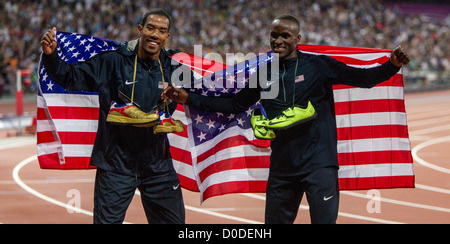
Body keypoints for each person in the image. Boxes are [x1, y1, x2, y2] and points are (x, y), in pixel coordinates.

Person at [162, 14, 410, 224]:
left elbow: (363, 79)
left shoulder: (319, 66)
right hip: (283, 167)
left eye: (285, 36)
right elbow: (234, 105)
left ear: (297, 39)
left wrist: (392, 65)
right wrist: (188, 98)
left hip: (319, 164)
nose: (278, 41)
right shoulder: (264, 72)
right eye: (274, 35)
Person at [40, 8, 187, 224]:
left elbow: (207, 91)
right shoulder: (113, 61)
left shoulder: (174, 67)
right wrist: (51, 57)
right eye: (150, 28)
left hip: (158, 166)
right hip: (116, 165)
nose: (155, 34)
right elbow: (71, 77)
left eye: (162, 31)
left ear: (167, 36)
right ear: (140, 29)